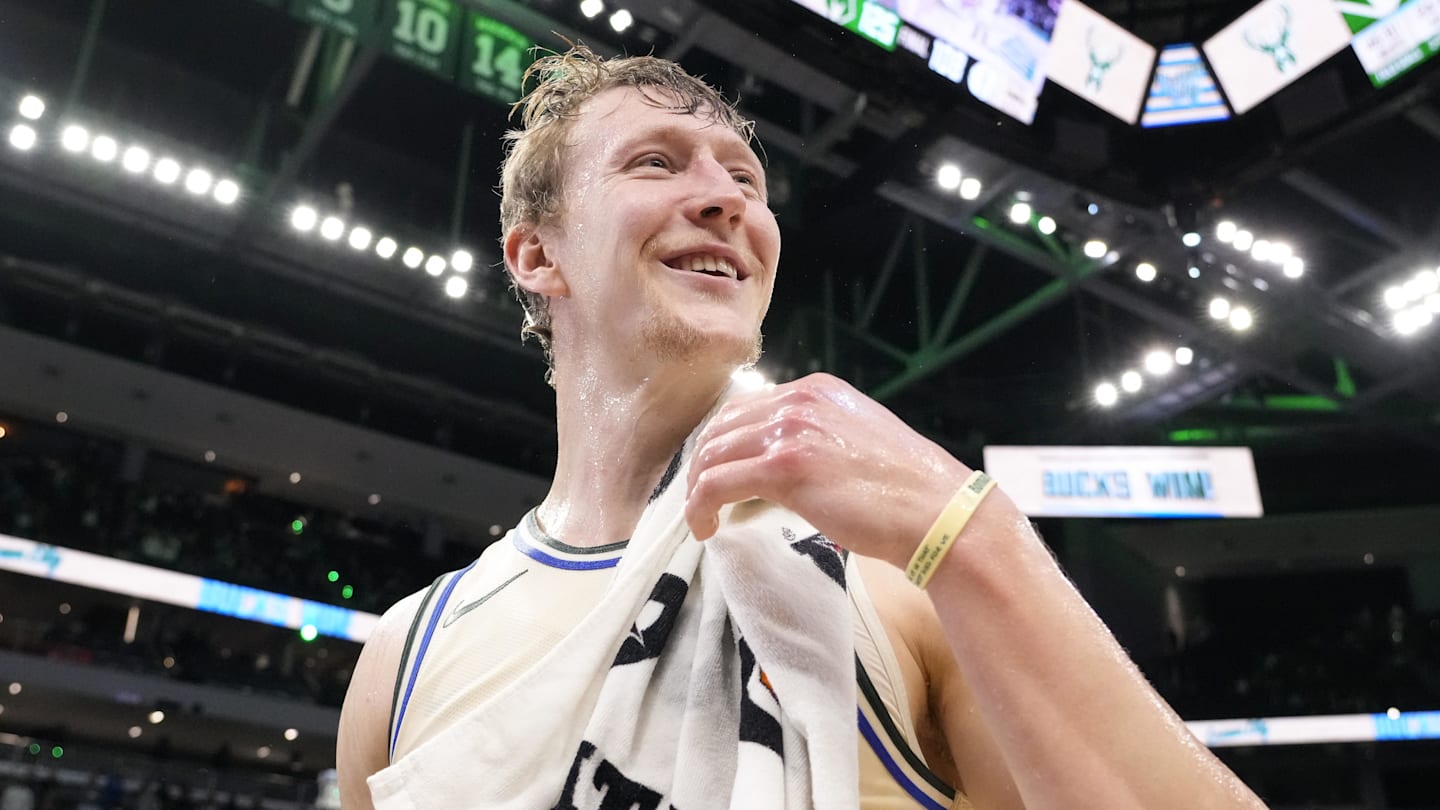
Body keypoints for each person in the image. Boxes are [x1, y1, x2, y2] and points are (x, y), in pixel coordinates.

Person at [337, 46, 1266, 809]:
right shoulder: (404, 656)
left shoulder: (907, 576)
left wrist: (977, 532)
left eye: (744, 177)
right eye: (656, 162)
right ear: (537, 252)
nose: (728, 199)